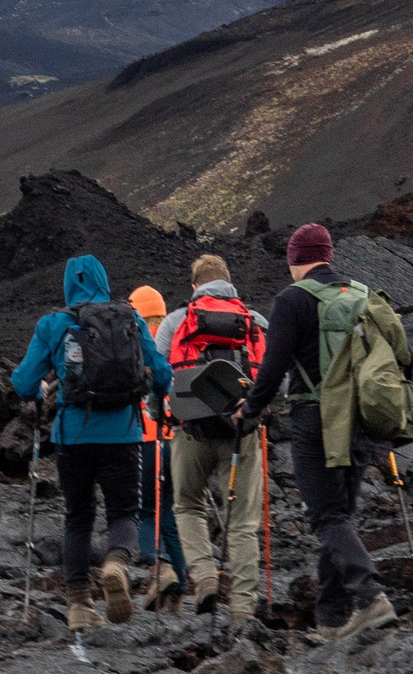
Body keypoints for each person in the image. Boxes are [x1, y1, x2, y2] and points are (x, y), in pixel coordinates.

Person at [237, 223, 401, 639]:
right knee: (340, 515)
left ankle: (370, 596)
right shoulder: (361, 295)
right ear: (328, 256)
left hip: (314, 417)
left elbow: (273, 368)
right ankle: (332, 619)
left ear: (295, 260)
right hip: (362, 418)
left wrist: (250, 409)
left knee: (326, 516)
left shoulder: (292, 299)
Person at [11, 254, 173, 628]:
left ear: (68, 284)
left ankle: (79, 604)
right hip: (124, 434)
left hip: (73, 437)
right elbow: (162, 374)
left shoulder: (53, 324)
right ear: (104, 278)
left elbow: (22, 383)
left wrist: (38, 389)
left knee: (78, 516)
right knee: (123, 513)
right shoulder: (129, 318)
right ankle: (117, 563)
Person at [154, 254, 267, 619]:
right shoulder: (254, 322)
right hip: (241, 431)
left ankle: (204, 578)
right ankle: (245, 609)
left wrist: (162, 417)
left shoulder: (175, 322)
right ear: (230, 283)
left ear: (194, 286)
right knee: (244, 521)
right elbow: (273, 375)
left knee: (187, 505)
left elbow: (158, 377)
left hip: (190, 430)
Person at [126, 285, 188, 608]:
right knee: (172, 516)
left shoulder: (131, 343)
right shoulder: (176, 336)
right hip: (178, 440)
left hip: (146, 439)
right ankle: (181, 589)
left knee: (144, 512)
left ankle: (160, 567)